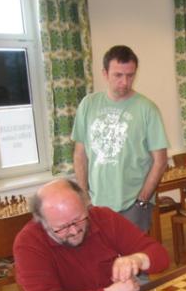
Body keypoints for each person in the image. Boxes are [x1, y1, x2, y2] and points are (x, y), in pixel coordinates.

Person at [14, 179, 170, 291]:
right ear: (43, 222)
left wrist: (138, 259)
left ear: (86, 205)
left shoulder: (102, 217)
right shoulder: (28, 243)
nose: (74, 231)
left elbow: (161, 256)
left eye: (78, 219)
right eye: (62, 228)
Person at [72, 45, 169, 233]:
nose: (125, 82)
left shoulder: (147, 109)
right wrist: (83, 196)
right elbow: (79, 155)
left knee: (132, 252)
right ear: (105, 73)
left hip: (133, 205)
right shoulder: (88, 105)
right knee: (100, 251)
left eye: (130, 75)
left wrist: (142, 200)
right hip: (96, 204)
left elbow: (160, 161)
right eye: (118, 75)